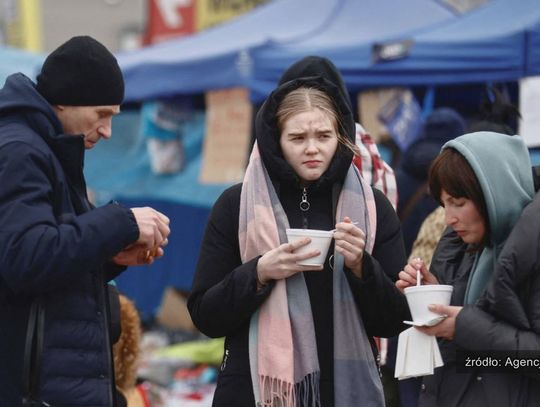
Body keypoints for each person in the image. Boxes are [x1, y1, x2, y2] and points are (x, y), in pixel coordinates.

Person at [188, 72, 409, 406]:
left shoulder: (371, 207)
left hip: (343, 392)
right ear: (276, 140)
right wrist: (259, 272)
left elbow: (394, 321)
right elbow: (206, 315)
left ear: (342, 137)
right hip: (257, 391)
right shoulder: (236, 205)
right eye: (297, 138)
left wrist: (362, 266)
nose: (312, 149)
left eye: (324, 135)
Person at [0, 36, 171, 406]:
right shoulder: (20, 150)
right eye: (102, 114)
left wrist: (109, 257)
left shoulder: (46, 148)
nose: (107, 130)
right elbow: (25, 258)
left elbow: (50, 267)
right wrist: (119, 223)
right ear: (65, 100)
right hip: (36, 391)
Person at [396, 131, 538, 406]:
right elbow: (466, 355)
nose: (448, 218)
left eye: (458, 203)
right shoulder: (461, 248)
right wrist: (432, 297)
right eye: (444, 204)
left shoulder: (532, 249)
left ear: (493, 193)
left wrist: (462, 326)